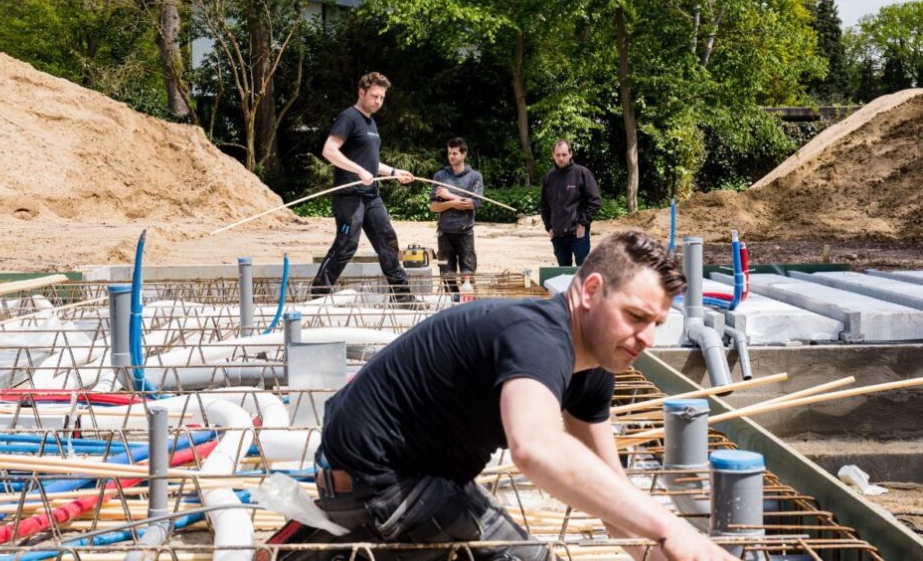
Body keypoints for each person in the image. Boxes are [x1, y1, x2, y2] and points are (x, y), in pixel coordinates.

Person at [313, 230, 739, 561]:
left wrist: (670, 550)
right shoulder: (538, 336)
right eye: (635, 316)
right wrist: (670, 526)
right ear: (590, 291)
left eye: (656, 324)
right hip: (375, 482)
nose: (647, 337)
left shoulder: (594, 369)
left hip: (422, 478)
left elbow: (614, 499)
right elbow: (535, 448)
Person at [310, 72, 415, 301]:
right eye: (375, 96)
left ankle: (403, 297)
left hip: (371, 196)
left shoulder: (371, 123)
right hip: (350, 197)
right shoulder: (348, 117)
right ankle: (317, 296)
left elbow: (370, 164)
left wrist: (394, 173)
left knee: (388, 241)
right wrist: (358, 171)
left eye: (382, 97)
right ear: (361, 93)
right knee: (346, 245)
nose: (378, 101)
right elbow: (329, 150)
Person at [429, 137, 483, 300]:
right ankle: (451, 304)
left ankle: (468, 306)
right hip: (444, 233)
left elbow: (473, 203)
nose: (451, 157)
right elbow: (434, 207)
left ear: (464, 154)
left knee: (468, 274)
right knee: (447, 275)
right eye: (449, 153)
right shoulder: (440, 176)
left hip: (465, 233)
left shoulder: (474, 177)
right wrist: (453, 203)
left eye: (455, 153)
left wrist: (448, 195)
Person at [540, 140, 602, 267]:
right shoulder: (549, 178)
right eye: (558, 155)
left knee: (582, 272)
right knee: (563, 273)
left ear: (570, 154)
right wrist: (549, 227)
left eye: (564, 154)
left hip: (578, 235)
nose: (561, 158)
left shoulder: (582, 173)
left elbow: (595, 201)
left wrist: (583, 223)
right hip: (557, 236)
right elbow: (544, 206)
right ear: (553, 155)